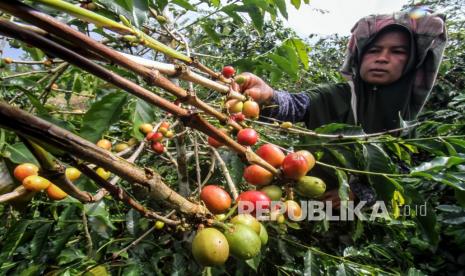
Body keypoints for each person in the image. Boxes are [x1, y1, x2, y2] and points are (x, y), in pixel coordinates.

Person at [236, 11, 448, 206]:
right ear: (360, 57)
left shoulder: (408, 118)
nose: (382, 58)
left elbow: (399, 173)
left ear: (410, 63)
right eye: (374, 50)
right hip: (306, 201)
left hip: (364, 221)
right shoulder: (338, 95)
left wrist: (358, 192)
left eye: (397, 52)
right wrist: (268, 96)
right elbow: (296, 105)